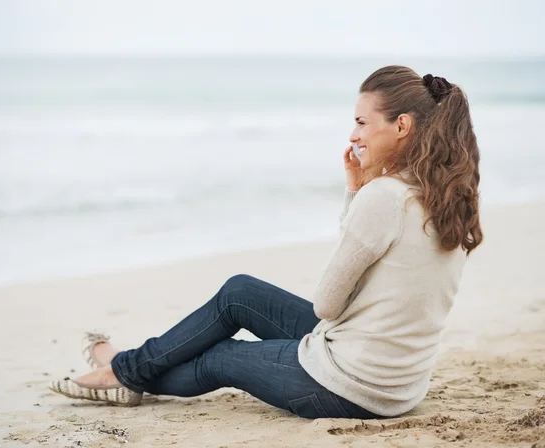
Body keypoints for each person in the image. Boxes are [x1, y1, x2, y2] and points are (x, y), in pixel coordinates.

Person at [49, 65, 483, 419]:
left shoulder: (384, 197)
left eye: (361, 122)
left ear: (402, 125)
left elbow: (327, 307)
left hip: (351, 386)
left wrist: (361, 194)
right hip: (399, 385)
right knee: (239, 293)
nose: (353, 135)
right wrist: (359, 191)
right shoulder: (449, 198)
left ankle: (123, 374)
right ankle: (132, 365)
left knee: (218, 357)